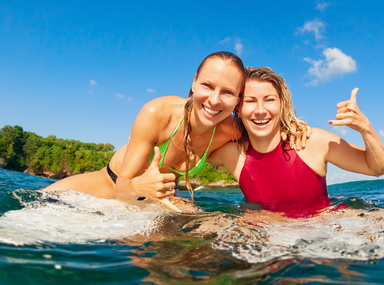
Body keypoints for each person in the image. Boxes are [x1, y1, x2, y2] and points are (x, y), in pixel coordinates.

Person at [43, 53, 308, 211]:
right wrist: (138, 186)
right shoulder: (158, 114)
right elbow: (123, 189)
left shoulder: (231, 130)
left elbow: (267, 128)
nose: (215, 100)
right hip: (100, 191)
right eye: (207, 85)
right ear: (194, 82)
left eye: (227, 92)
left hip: (158, 201)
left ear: (238, 99)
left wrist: (292, 126)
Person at [208, 67, 384, 215]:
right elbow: (191, 149)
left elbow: (378, 168)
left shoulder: (312, 142)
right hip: (267, 241)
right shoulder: (233, 154)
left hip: (323, 235)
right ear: (238, 109)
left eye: (269, 100)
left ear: (282, 105)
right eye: (250, 101)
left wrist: (365, 128)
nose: (261, 110)